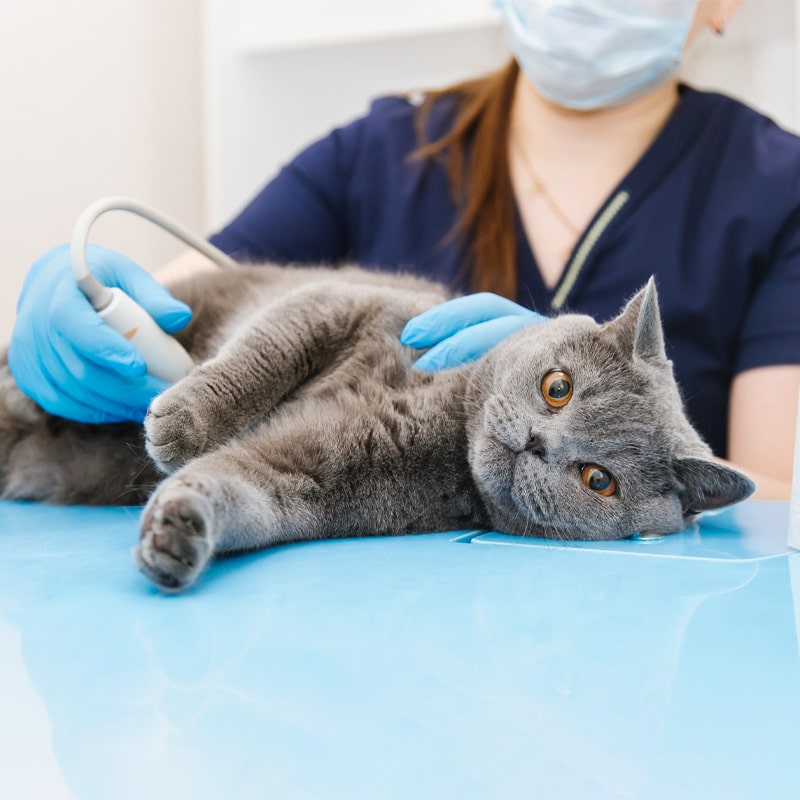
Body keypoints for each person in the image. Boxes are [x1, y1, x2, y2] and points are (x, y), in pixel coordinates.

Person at [9, 0, 800, 499]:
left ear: (725, 5)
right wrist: (71, 307)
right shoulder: (381, 153)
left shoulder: (775, 192)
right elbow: (175, 304)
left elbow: (775, 497)